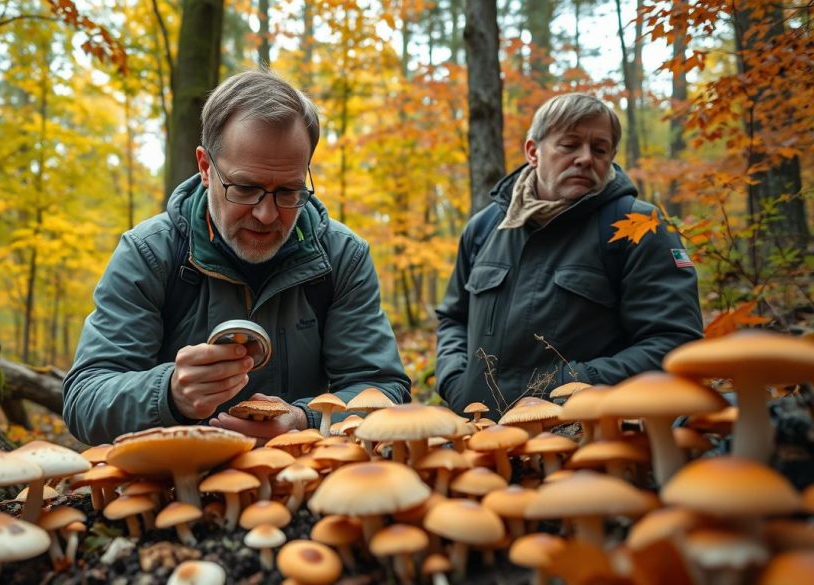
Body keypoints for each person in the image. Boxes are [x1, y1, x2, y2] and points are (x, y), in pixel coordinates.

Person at [63, 70, 410, 445]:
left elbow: (383, 388)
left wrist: (304, 420)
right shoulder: (151, 254)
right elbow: (85, 398)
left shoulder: (341, 257)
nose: (266, 214)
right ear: (205, 168)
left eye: (289, 191)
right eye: (245, 188)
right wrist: (170, 393)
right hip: (175, 486)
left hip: (303, 484)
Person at [435, 93, 703, 413]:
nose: (586, 158)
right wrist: (455, 381)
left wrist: (573, 383)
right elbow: (453, 319)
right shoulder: (485, 228)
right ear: (533, 152)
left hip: (586, 437)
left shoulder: (638, 226)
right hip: (481, 439)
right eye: (570, 144)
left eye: (599, 149)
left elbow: (674, 343)